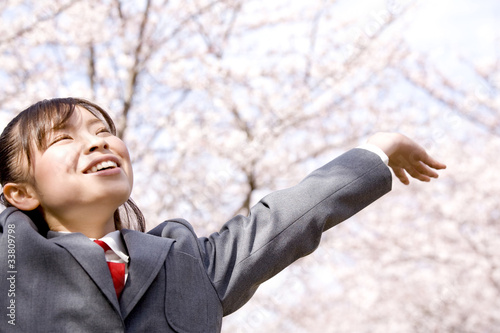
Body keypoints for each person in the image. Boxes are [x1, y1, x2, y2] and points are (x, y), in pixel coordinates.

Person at [0, 98, 446, 332]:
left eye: (102, 132)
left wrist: (377, 149)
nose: (98, 142)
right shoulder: (10, 262)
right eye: (63, 139)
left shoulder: (187, 261)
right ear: (20, 193)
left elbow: (282, 221)